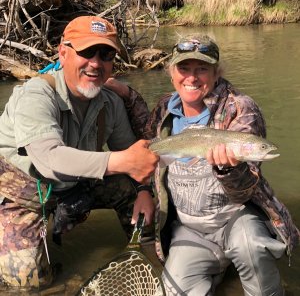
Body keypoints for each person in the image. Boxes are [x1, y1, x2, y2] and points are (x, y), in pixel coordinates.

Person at [0, 15, 159, 289]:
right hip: (24, 195)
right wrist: (121, 160)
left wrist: (144, 191)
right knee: (28, 283)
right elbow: (49, 158)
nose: (96, 63)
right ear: (63, 53)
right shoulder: (36, 95)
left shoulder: (110, 103)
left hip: (76, 184)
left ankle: (151, 252)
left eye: (106, 54)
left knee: (130, 189)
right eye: (85, 52)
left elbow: (133, 157)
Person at [144, 34, 300, 296]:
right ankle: (216, 266)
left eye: (202, 69)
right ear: (172, 73)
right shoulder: (163, 108)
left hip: (236, 218)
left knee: (251, 246)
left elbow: (246, 190)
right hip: (188, 226)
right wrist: (122, 90)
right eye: (184, 68)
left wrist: (229, 168)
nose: (192, 78)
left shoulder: (240, 108)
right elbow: (145, 150)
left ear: (216, 73)